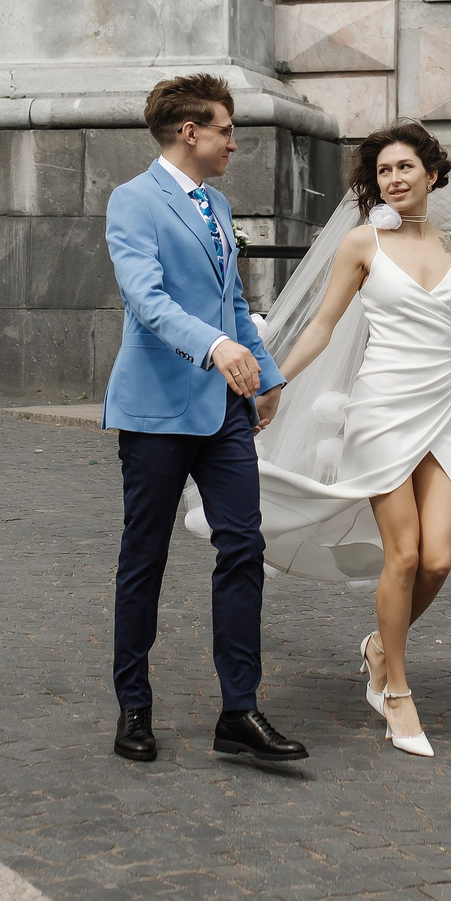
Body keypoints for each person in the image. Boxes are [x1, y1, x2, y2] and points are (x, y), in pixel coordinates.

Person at [235, 121, 451, 758]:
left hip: (440, 419)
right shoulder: (362, 244)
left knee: (437, 560)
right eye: (384, 171)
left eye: (406, 167)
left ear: (432, 173)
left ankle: (380, 645)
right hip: (380, 413)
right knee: (401, 557)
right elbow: (323, 327)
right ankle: (396, 693)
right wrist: (275, 385)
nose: (395, 180)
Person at [102, 72, 308, 768]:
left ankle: (239, 711)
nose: (233, 141)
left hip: (224, 412)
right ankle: (134, 703)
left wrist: (265, 371)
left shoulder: (217, 204)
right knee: (145, 558)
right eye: (224, 128)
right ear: (189, 132)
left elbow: (232, 303)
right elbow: (146, 300)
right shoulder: (132, 202)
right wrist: (216, 348)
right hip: (157, 411)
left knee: (243, 547)